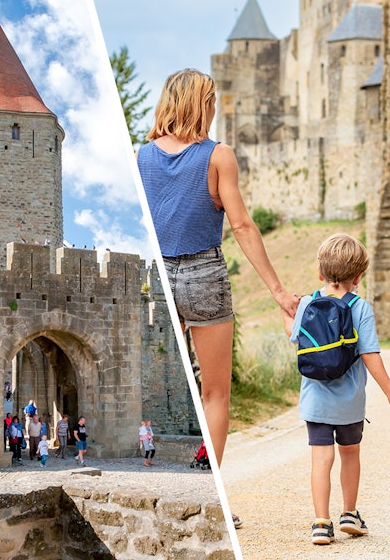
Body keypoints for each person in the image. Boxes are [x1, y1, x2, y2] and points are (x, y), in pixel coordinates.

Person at [136, 68, 299, 487]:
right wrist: (278, 291)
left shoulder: (141, 156)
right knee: (215, 393)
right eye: (211, 101)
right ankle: (211, 486)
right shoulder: (218, 155)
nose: (214, 109)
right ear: (201, 104)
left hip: (159, 276)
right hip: (203, 273)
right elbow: (241, 225)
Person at [283, 233, 390, 546]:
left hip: (315, 401)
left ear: (320, 273)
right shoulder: (360, 307)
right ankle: (350, 514)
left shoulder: (307, 304)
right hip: (350, 403)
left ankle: (321, 523)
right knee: (350, 454)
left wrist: (285, 312)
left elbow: (293, 335)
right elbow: (370, 354)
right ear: (359, 277)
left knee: (321, 459)